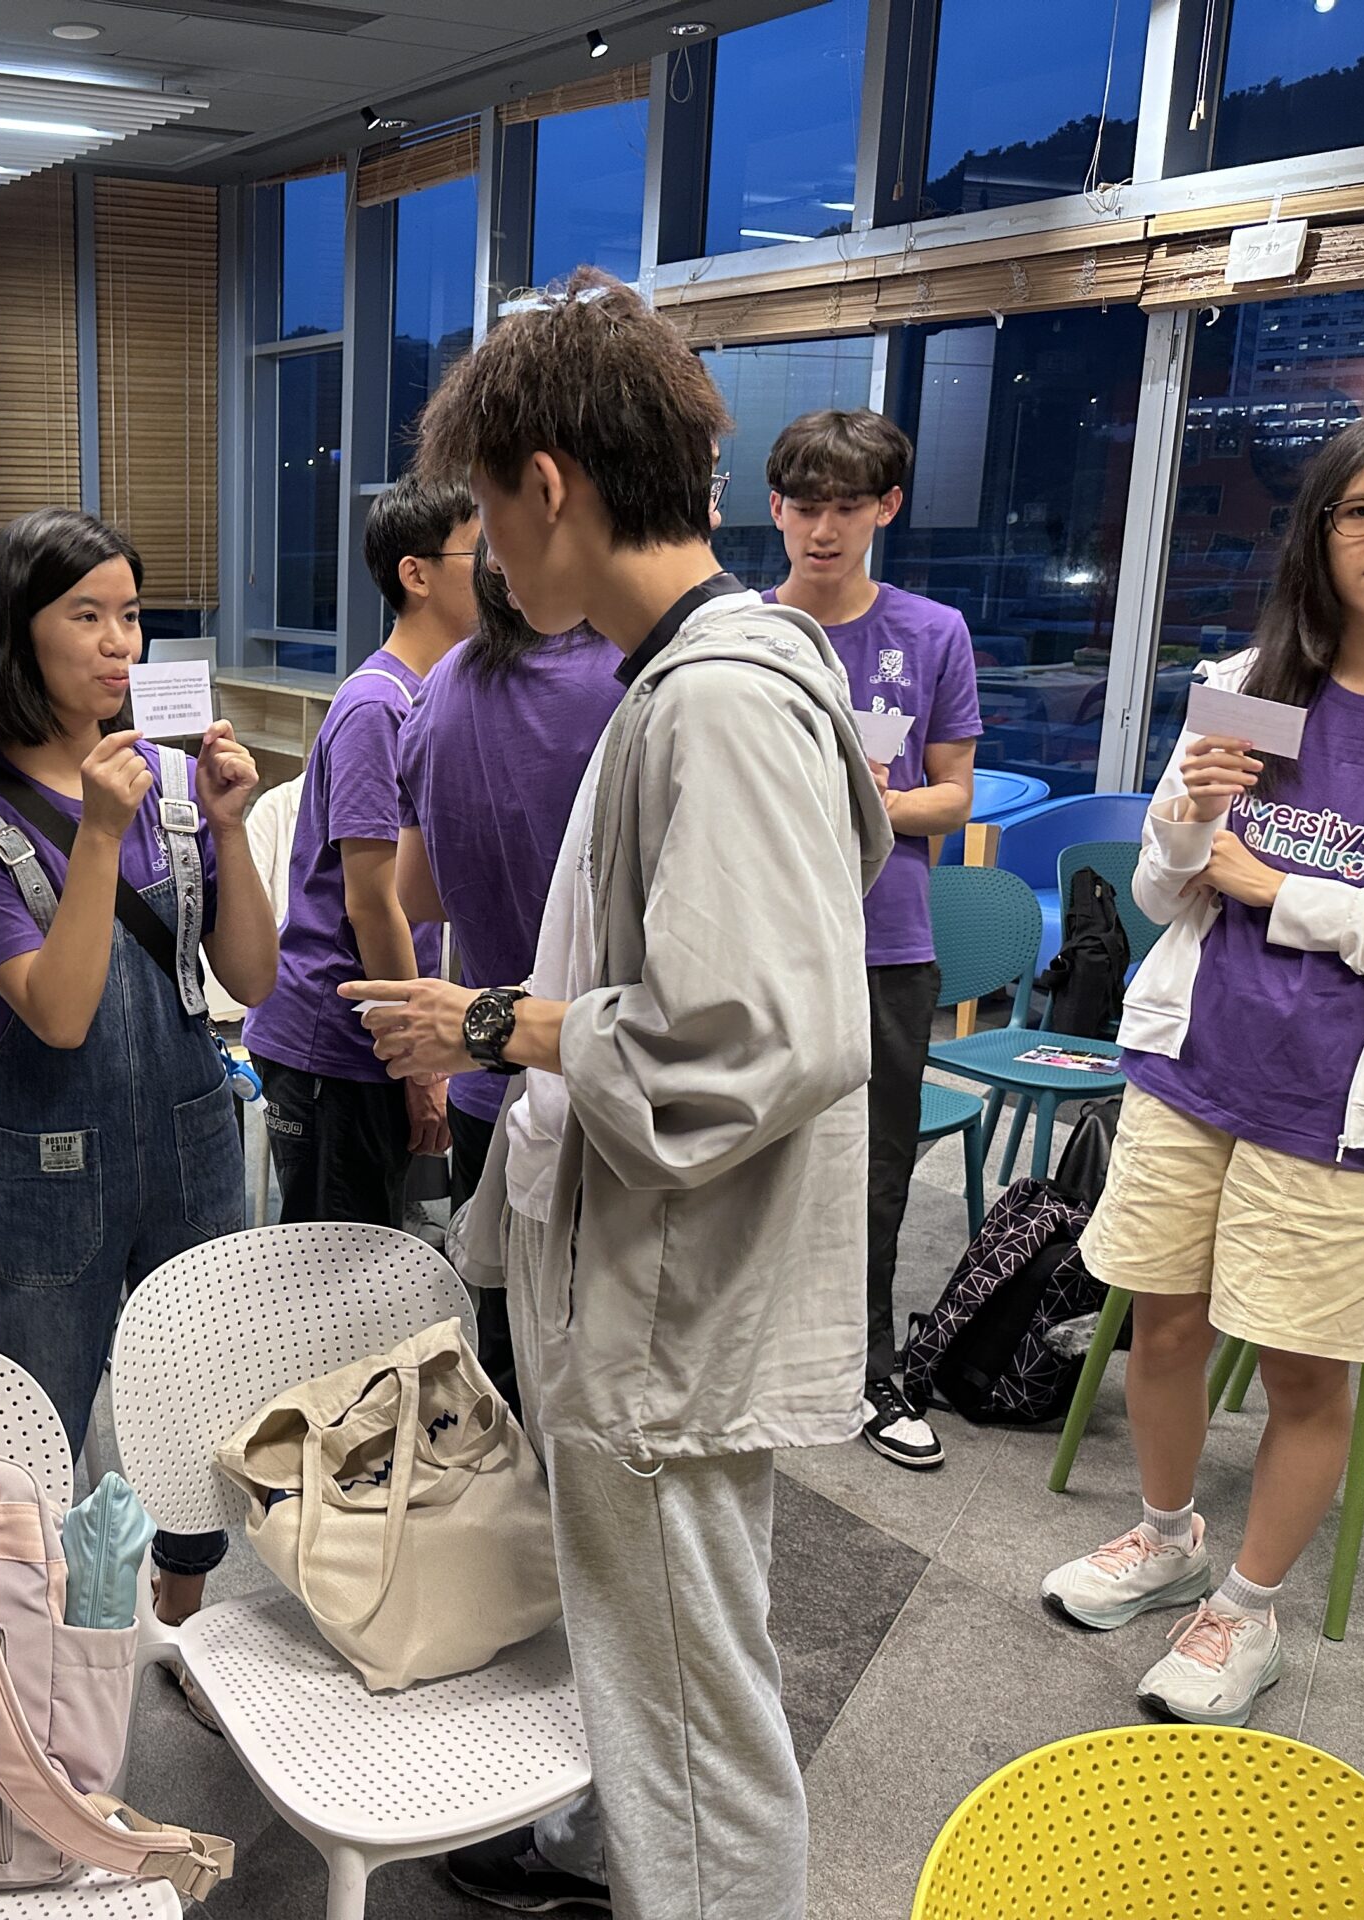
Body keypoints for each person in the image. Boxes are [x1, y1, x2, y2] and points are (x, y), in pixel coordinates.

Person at [345, 267, 891, 1920]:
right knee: (671, 1690)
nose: (489, 560)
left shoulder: (716, 699)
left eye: (492, 520)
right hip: (666, 1292)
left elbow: (763, 1039)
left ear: (552, 486)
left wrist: (505, 1025)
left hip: (673, 1309)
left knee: (689, 1724)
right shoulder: (721, 672)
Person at [1040, 406, 1364, 1725]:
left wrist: (1279, 891)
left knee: (1301, 1368)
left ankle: (1247, 1612)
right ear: (1322, 531)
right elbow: (1170, 898)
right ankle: (1168, 1538)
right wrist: (1183, 822)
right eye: (1363, 509)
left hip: (1342, 1105)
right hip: (1193, 1068)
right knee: (1160, 1320)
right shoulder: (1255, 681)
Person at [0, 507, 274, 1627]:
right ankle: (37, 1642)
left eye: (130, 616)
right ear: (19, 633)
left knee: (193, 1395)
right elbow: (59, 1017)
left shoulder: (169, 781)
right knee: (38, 1418)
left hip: (192, 1137)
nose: (120, 643)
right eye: (88, 616)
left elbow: (251, 979)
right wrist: (105, 838)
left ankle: (183, 1619)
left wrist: (230, 827)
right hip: (46, 1161)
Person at [763, 410, 982, 1471]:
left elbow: (952, 797)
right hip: (760, 942)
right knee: (749, 1152)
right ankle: (751, 1351)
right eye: (805, 504)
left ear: (885, 508)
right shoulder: (745, 633)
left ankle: (868, 1365)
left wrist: (865, 806)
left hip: (884, 943)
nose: (822, 526)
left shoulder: (929, 632)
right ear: (774, 507)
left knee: (876, 1171)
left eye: (846, 505)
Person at [393, 543, 626, 1408]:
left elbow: (418, 892)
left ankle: (511, 1537)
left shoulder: (445, 682)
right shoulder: (638, 679)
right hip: (606, 1080)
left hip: (486, 1076)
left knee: (503, 1352)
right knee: (603, 1378)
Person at [244, 474, 472, 1226]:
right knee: (330, 1273)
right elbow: (372, 904)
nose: (501, 571)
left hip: (373, 1028)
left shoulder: (431, 695)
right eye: (481, 553)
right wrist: (423, 1060)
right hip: (334, 1038)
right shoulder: (379, 706)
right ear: (418, 574)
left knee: (371, 1249)